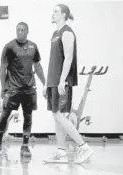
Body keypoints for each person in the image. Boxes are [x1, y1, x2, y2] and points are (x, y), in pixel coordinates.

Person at [0, 22, 46, 162]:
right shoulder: (9, 47)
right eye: (18, 30)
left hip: (29, 89)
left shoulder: (33, 46)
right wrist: (4, 89)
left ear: (27, 31)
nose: (20, 32)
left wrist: (45, 83)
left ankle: (25, 146)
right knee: (4, 115)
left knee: (28, 117)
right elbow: (3, 69)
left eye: (23, 30)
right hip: (13, 88)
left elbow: (38, 66)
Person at [43, 4, 93, 163]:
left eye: (56, 11)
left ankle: (83, 146)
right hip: (52, 81)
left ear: (64, 14)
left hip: (61, 81)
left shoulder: (67, 33)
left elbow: (68, 58)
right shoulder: (55, 34)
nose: (53, 13)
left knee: (59, 115)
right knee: (57, 116)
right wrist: (47, 83)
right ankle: (61, 152)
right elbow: (53, 60)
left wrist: (62, 80)